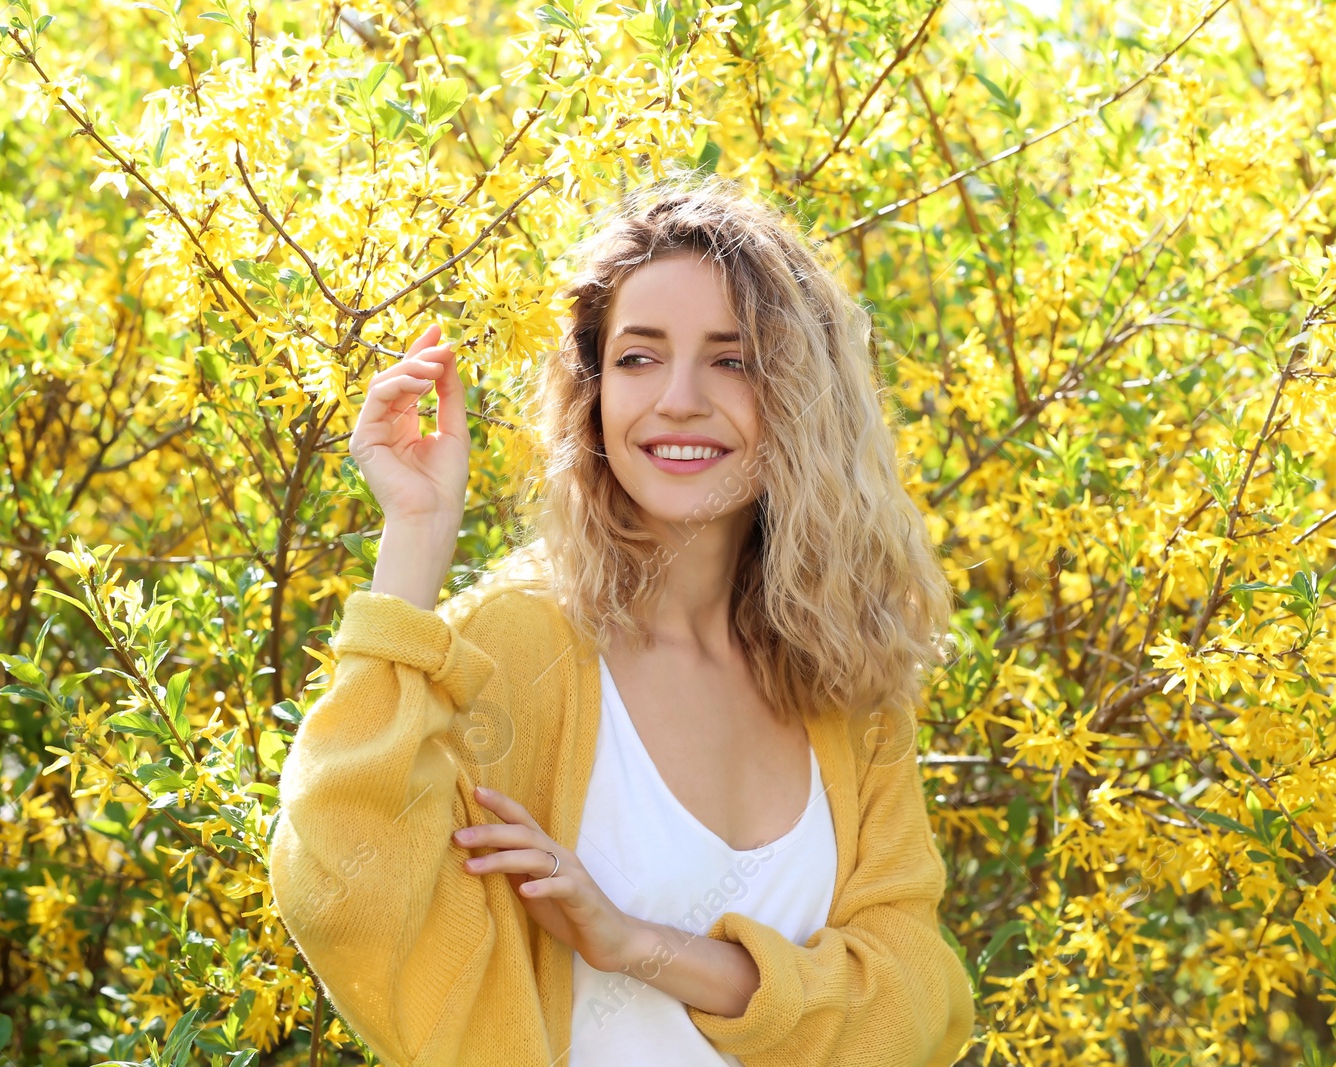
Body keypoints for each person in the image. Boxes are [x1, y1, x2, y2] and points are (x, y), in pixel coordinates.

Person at [269, 175, 975, 1066]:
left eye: (733, 359)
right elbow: (346, 889)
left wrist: (634, 942)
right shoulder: (515, 642)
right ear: (593, 391)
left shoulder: (845, 672)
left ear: (802, 395)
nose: (678, 398)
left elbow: (915, 1003)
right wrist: (414, 535)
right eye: (639, 357)